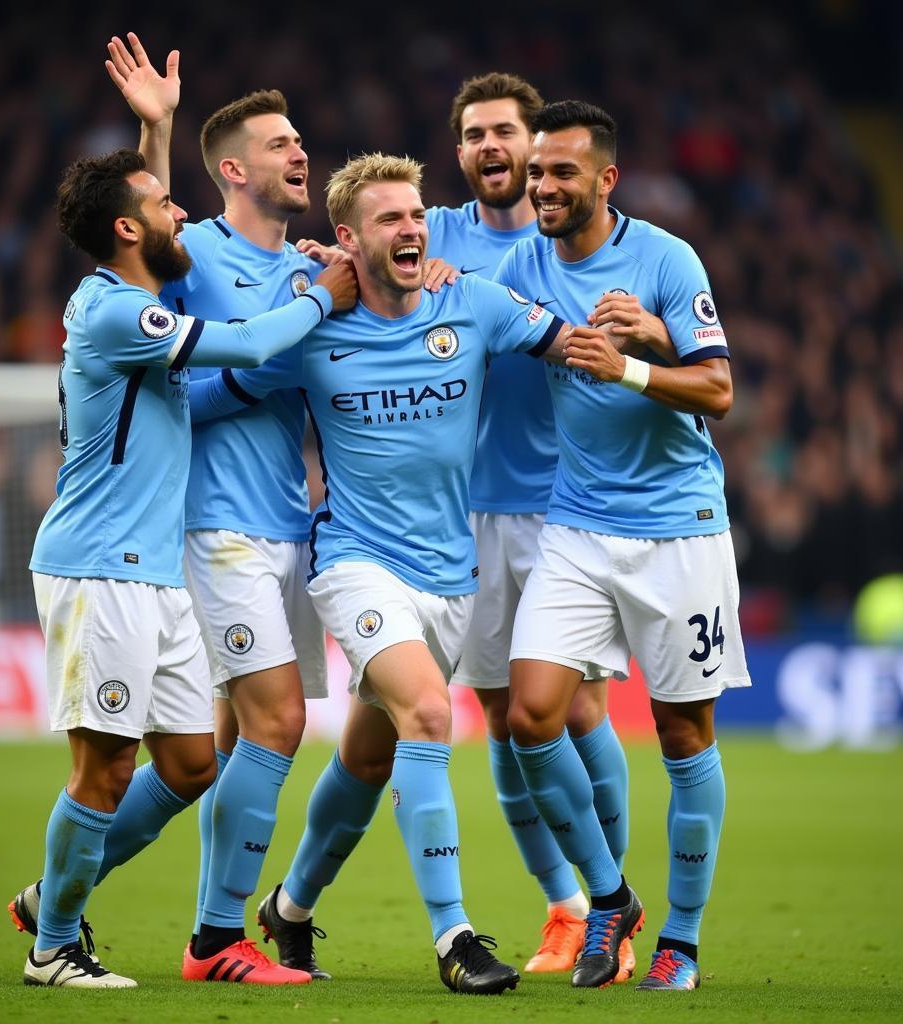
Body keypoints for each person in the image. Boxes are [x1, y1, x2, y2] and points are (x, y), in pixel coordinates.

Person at [191, 153, 581, 994]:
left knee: (370, 759)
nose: (410, 230)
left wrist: (649, 352)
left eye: (416, 217)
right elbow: (212, 390)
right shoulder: (311, 325)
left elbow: (567, 342)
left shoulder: (470, 301)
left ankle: (288, 912)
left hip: (452, 575)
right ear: (346, 240)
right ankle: (455, 938)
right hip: (356, 562)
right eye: (388, 220)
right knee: (430, 713)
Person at [10, 146, 355, 989]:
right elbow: (243, 343)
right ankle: (53, 943)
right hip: (98, 570)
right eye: (167, 206)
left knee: (193, 764)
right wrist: (322, 297)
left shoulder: (140, 295)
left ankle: (50, 897)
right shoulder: (112, 313)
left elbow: (153, 230)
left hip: (152, 573)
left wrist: (153, 126)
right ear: (129, 228)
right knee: (103, 769)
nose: (183, 218)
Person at [499, 100, 751, 991]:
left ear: (606, 179)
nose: (544, 188)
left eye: (562, 173)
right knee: (529, 715)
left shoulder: (666, 260)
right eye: (537, 174)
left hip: (679, 532)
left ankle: (679, 941)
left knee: (684, 732)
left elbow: (718, 391)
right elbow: (440, 276)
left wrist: (641, 356)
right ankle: (611, 898)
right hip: (575, 526)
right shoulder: (522, 258)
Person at [427, 72, 643, 979]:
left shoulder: (577, 247)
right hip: (466, 511)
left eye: (505, 132)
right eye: (473, 133)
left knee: (573, 709)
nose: (490, 147)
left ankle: (613, 908)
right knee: (502, 721)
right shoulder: (430, 235)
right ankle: (566, 908)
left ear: (538, 147)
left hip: (564, 508)